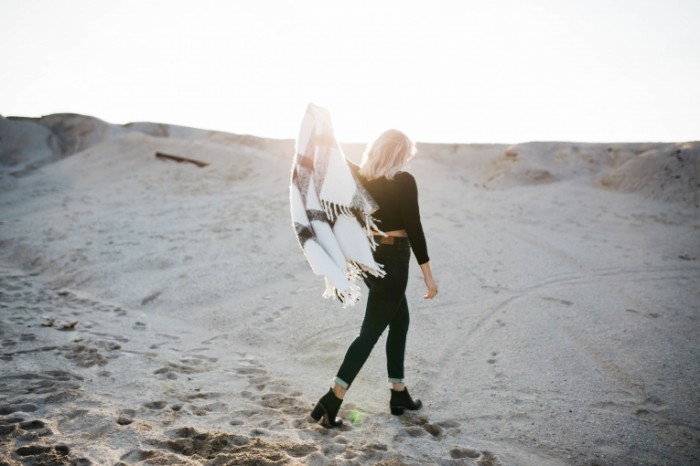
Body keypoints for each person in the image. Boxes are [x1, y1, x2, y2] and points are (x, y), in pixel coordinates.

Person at [310, 129, 439, 428]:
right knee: (370, 332)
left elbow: (337, 155)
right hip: (393, 259)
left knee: (400, 319)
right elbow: (414, 227)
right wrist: (428, 276)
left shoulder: (361, 176)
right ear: (400, 154)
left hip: (369, 256)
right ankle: (333, 397)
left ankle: (398, 393)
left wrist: (322, 129)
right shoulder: (404, 180)